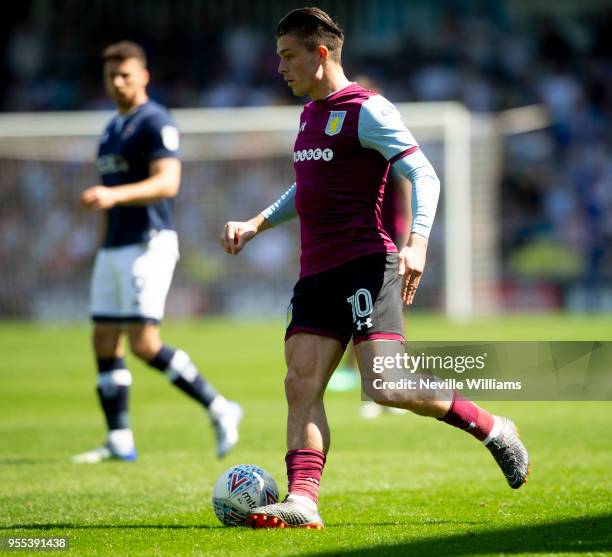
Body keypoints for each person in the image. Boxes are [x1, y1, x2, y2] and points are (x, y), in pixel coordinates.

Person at [221, 8, 529, 529]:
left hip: (367, 263)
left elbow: (424, 173)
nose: (279, 68)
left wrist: (419, 244)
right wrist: (257, 223)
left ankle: (494, 426)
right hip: (315, 271)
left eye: (288, 56)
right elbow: (310, 187)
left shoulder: (369, 110)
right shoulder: (308, 114)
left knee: (386, 385)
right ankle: (303, 500)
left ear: (321, 55)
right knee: (300, 383)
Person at [73, 41, 242, 464]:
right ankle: (119, 438)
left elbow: (168, 183)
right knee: (103, 338)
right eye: (111, 75)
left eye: (125, 74)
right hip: (113, 247)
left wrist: (115, 198)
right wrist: (100, 240)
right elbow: (107, 200)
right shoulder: (111, 129)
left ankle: (220, 407)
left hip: (148, 242)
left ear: (144, 75)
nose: (117, 82)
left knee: (144, 343)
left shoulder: (156, 121)